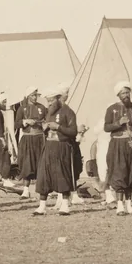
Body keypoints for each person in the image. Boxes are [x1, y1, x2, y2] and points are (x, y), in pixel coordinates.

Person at [33, 84, 77, 216]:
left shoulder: (68, 112)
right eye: (48, 101)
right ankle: (42, 206)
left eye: (51, 100)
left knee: (62, 175)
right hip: (49, 146)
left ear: (58, 98)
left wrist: (58, 127)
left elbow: (73, 131)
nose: (50, 103)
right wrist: (45, 127)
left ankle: (64, 206)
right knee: (44, 175)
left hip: (62, 147)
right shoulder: (49, 113)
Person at [103, 81, 132, 216]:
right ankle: (120, 206)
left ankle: (129, 205)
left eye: (127, 92)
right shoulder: (111, 109)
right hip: (117, 145)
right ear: (118, 95)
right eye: (123, 93)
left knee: (130, 173)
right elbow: (106, 127)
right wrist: (118, 123)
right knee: (119, 173)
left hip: (131, 145)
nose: (126, 95)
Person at [15, 87, 46, 201]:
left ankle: (40, 190)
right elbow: (16, 124)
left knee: (40, 163)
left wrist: (42, 123)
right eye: (32, 95)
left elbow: (47, 120)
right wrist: (25, 121)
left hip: (39, 138)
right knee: (27, 164)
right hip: (27, 138)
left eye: (36, 95)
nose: (34, 97)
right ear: (28, 96)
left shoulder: (42, 108)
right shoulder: (22, 109)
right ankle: (26, 190)